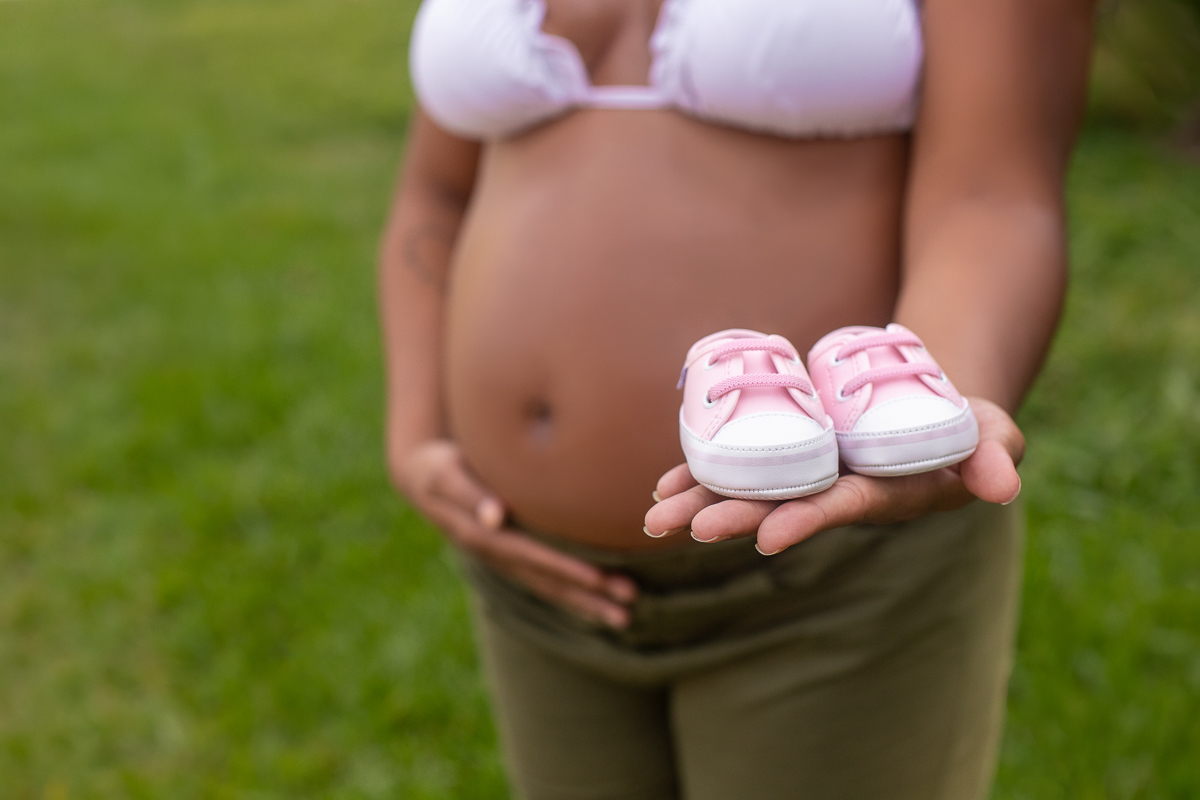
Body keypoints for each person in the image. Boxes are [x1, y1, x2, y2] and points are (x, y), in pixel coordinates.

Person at [378, 0, 1095, 797]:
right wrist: (415, 433)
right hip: (534, 578)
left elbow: (994, 197)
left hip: (834, 578)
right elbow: (437, 190)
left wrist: (931, 420)